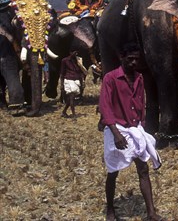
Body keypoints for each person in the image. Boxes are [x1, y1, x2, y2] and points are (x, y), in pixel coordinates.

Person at [98, 43, 163, 221]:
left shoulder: (139, 78)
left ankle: (151, 212)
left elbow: (141, 102)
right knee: (113, 171)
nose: (134, 63)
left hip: (135, 129)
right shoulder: (111, 78)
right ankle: (110, 209)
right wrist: (116, 133)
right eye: (130, 59)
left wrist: (141, 124)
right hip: (117, 129)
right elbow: (105, 106)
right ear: (121, 57)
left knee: (143, 169)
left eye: (136, 59)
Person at [59, 51, 85, 118]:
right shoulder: (64, 60)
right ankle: (74, 115)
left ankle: (64, 112)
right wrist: (61, 84)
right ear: (70, 52)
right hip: (68, 80)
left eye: (77, 52)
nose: (76, 53)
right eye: (74, 52)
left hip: (76, 80)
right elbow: (62, 73)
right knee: (72, 98)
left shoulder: (78, 60)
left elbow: (81, 71)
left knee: (70, 99)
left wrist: (82, 82)